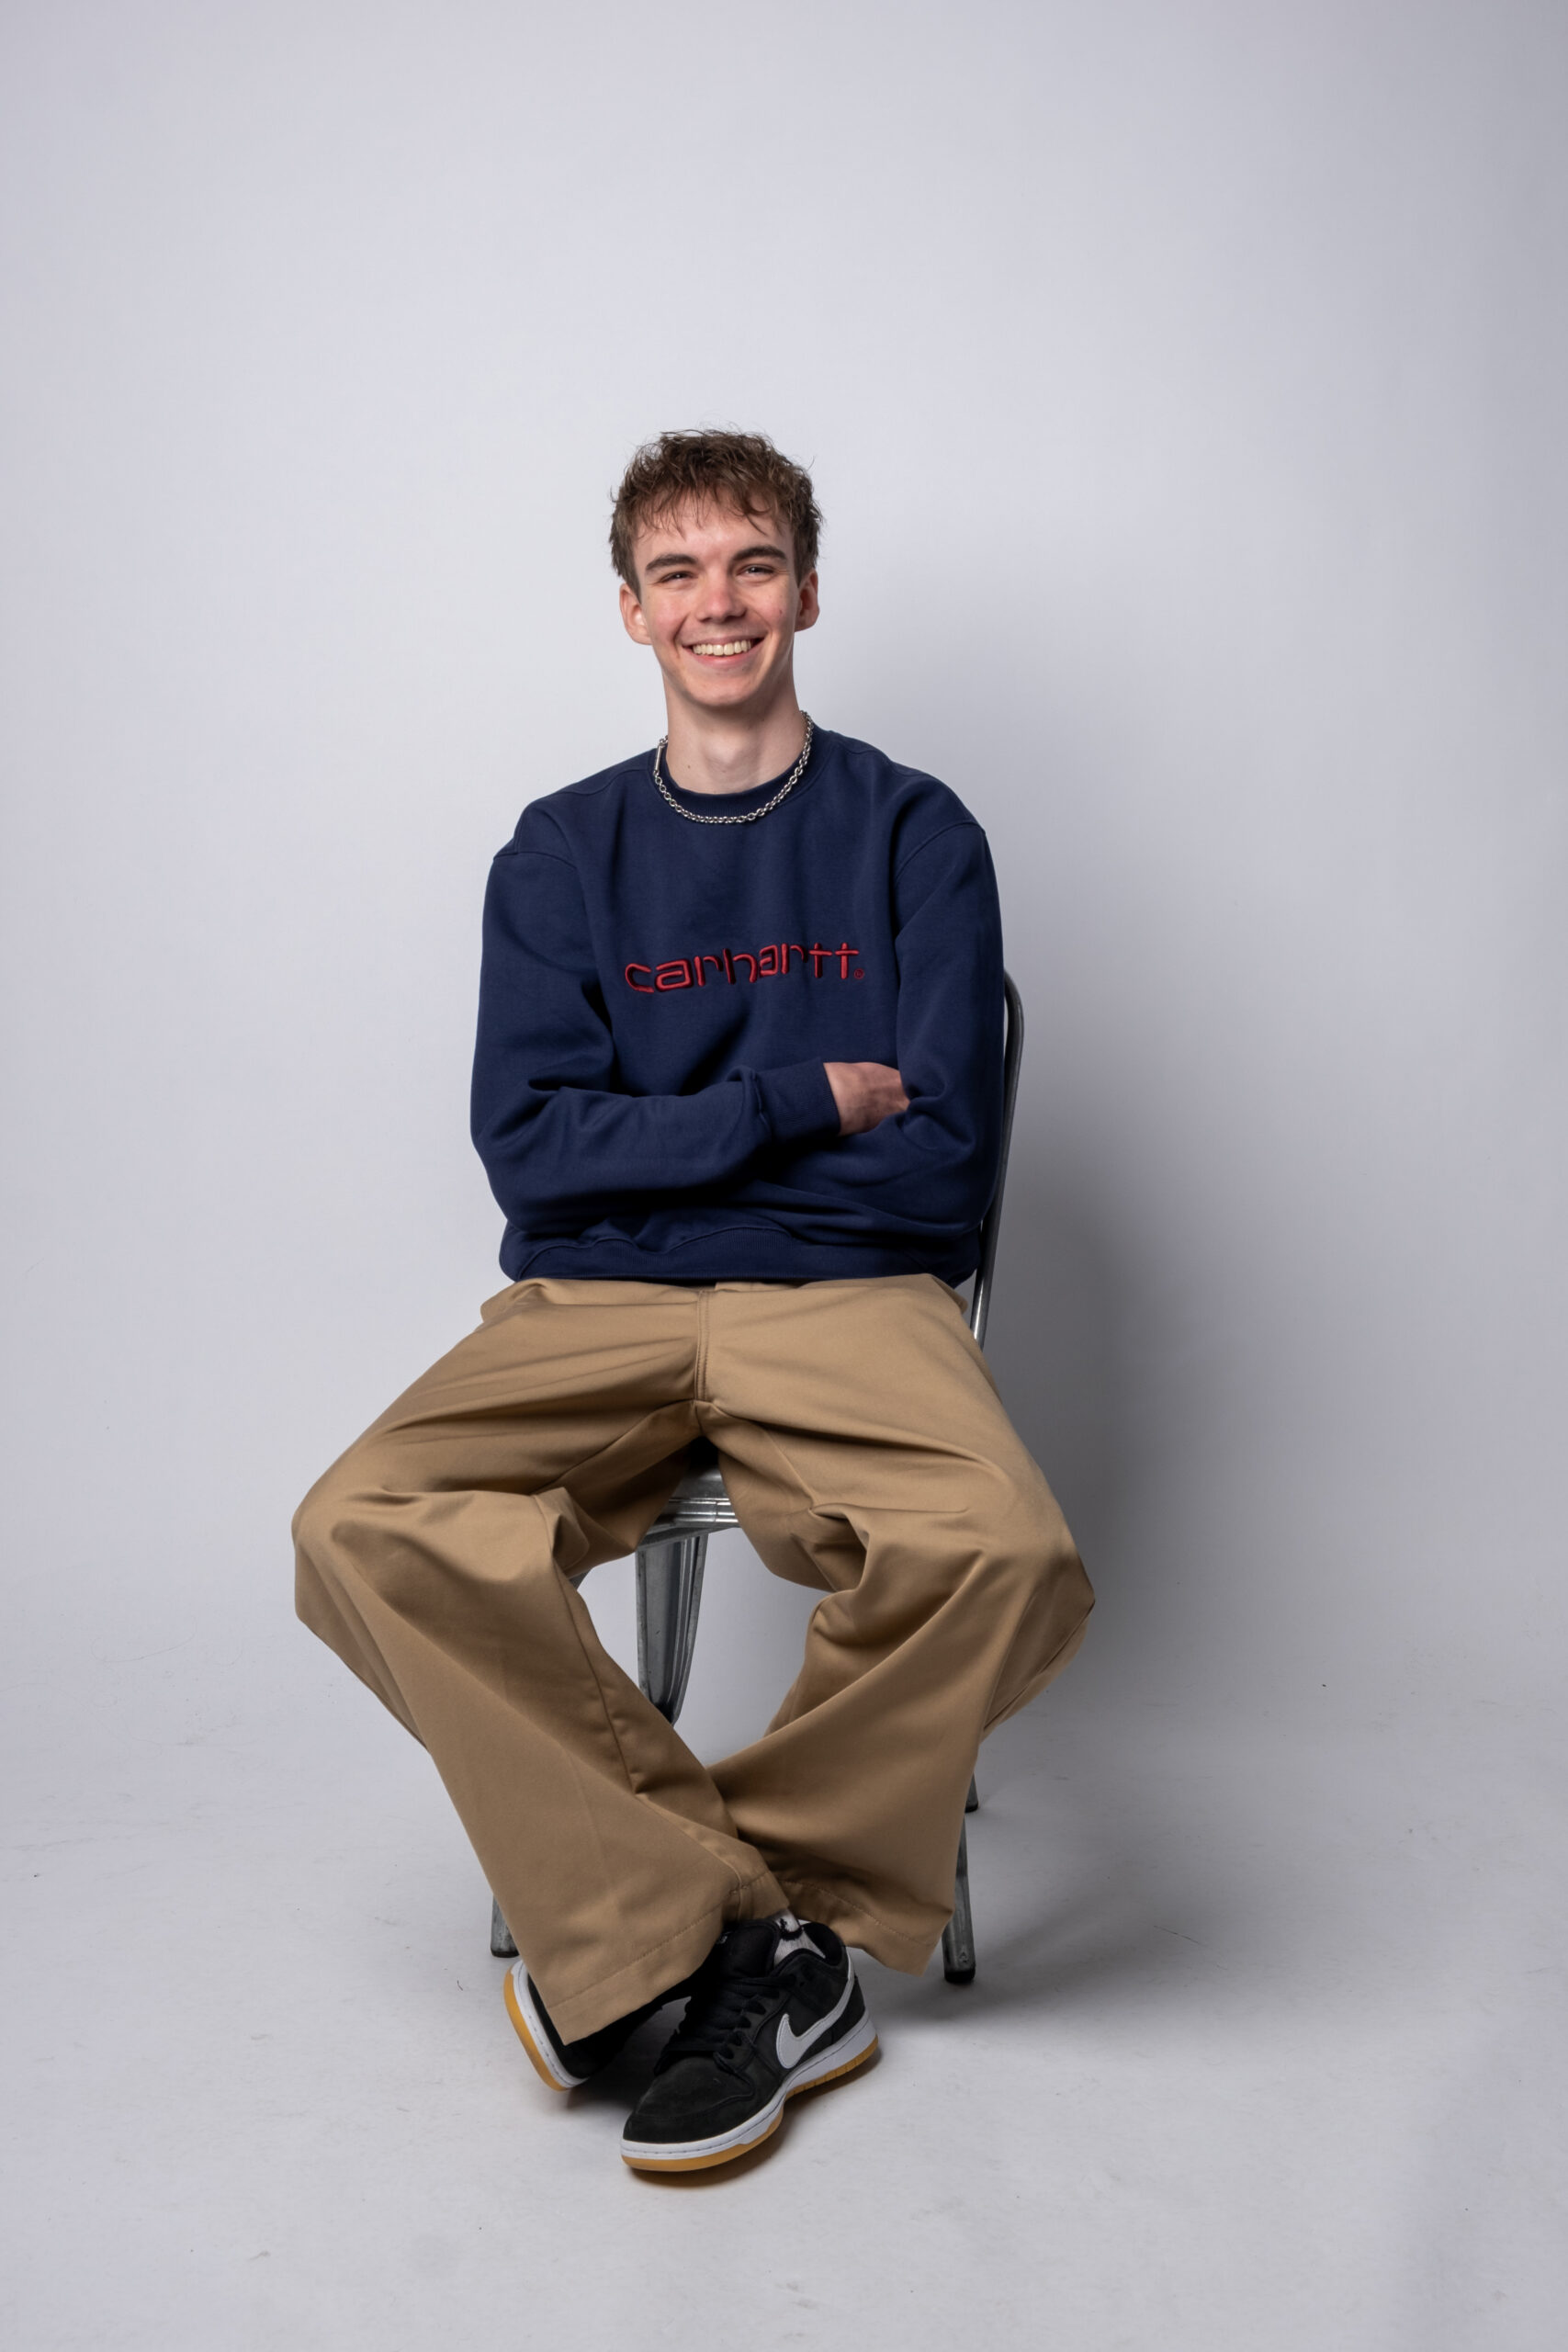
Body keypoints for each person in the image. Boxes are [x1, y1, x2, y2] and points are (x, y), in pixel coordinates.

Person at [293, 429, 1093, 2175]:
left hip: (850, 1301)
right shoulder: (561, 853)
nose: (716, 603)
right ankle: (738, 1930)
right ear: (632, 611)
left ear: (804, 592)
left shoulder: (914, 833)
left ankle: (692, 1927)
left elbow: (938, 1173)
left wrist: (657, 1155)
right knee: (362, 1522)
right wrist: (798, 1103)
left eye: (750, 566)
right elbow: (532, 1155)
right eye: (678, 573)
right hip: (598, 1303)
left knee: (1006, 1550)